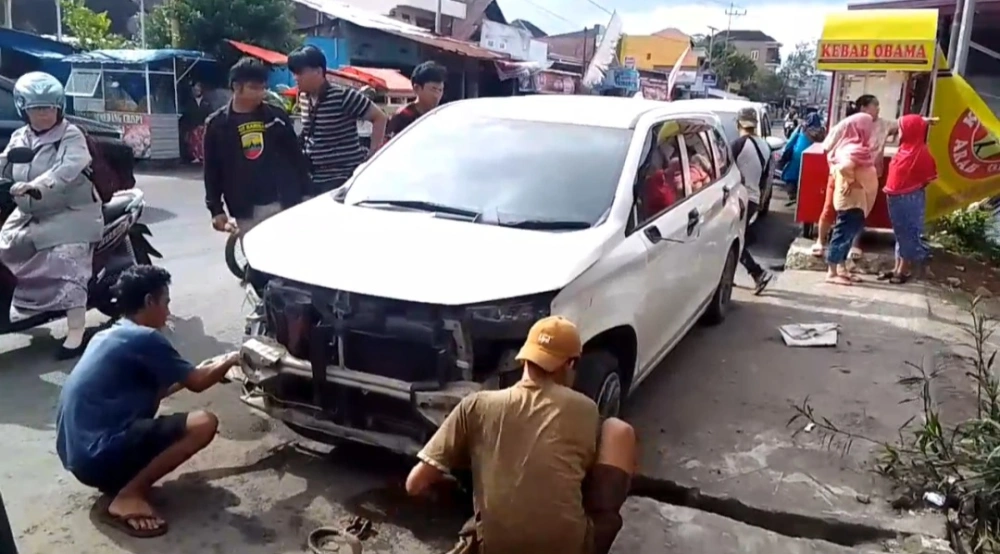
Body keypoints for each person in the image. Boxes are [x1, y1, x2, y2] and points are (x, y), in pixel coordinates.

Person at [406, 316, 637, 554]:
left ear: (525, 358)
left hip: (494, 547)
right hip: (567, 548)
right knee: (619, 431)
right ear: (570, 365)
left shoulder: (476, 405)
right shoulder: (586, 409)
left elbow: (414, 484)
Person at [55, 265, 241, 538]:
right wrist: (233, 358)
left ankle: (120, 480)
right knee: (203, 423)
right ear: (149, 301)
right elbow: (198, 383)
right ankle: (129, 495)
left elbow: (169, 384)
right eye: (165, 302)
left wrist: (209, 369)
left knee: (157, 403)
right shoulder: (145, 337)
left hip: (79, 456)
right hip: (97, 454)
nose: (167, 311)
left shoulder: (111, 333)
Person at [0, 72, 103, 358]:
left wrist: (38, 185)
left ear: (59, 108)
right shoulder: (20, 136)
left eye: (48, 108)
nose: (44, 115)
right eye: (36, 109)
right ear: (24, 109)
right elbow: (5, 162)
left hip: (71, 213)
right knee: (5, 249)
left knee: (66, 261)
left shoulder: (71, 134)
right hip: (29, 213)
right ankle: (27, 309)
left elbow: (70, 167)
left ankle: (75, 332)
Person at [203, 57, 310, 235]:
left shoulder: (276, 118)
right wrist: (216, 210)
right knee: (256, 259)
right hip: (246, 209)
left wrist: (306, 193)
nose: (260, 93)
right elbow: (212, 171)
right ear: (236, 87)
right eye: (254, 88)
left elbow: (296, 158)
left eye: (263, 87)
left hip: (283, 203)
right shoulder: (217, 125)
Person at [288, 46, 388, 193]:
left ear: (318, 71)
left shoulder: (343, 95)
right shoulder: (304, 98)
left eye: (300, 72)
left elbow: (379, 117)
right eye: (294, 73)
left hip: (342, 177)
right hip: (314, 177)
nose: (295, 78)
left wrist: (372, 156)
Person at [812, 95, 899, 258]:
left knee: (860, 212)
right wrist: (844, 174)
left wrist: (924, 121)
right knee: (830, 208)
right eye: (875, 106)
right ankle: (821, 242)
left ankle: (853, 246)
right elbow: (827, 147)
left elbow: (902, 123)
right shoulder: (846, 125)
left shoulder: (882, 125)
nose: (878, 109)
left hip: (864, 177)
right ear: (863, 109)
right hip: (842, 176)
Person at [881, 114, 937, 284]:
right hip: (895, 197)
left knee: (909, 232)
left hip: (909, 197)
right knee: (900, 233)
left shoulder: (921, 152)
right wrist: (923, 121)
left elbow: (927, 178)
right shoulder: (905, 147)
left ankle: (904, 269)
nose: (899, 132)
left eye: (902, 129)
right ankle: (897, 267)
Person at [825, 113, 879, 286]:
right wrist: (851, 181)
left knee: (848, 235)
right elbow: (843, 167)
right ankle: (832, 272)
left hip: (856, 201)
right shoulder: (852, 149)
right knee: (842, 235)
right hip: (851, 201)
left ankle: (842, 268)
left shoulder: (852, 146)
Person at [731, 107, 774, 295]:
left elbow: (724, 172)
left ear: (738, 123)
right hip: (754, 199)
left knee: (732, 240)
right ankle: (729, 277)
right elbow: (766, 177)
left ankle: (757, 273)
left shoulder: (738, 145)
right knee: (737, 238)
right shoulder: (765, 146)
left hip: (740, 200)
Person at [386, 61, 447, 139]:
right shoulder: (402, 117)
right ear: (417, 88)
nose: (437, 95)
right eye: (433, 89)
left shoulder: (442, 117)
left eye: (440, 90)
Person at [780, 113, 827, 204]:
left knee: (791, 173)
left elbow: (791, 141)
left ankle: (792, 192)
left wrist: (785, 152)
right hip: (814, 158)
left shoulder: (802, 128)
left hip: (798, 156)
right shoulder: (822, 132)